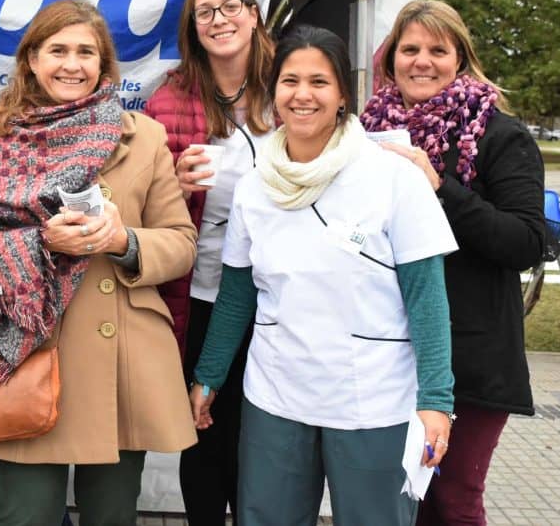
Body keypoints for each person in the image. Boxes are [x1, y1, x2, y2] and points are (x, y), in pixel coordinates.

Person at [0, 0, 197, 525]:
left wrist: (124, 242)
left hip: (123, 361)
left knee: (112, 517)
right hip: (25, 354)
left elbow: (181, 242)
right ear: (31, 59)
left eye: (85, 52)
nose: (72, 64)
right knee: (26, 517)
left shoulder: (141, 136)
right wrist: (40, 245)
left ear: (104, 64)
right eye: (57, 50)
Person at [190, 26, 457, 526]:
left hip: (372, 399)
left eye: (319, 81)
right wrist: (209, 376)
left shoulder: (394, 178)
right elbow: (236, 295)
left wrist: (437, 400)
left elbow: (427, 298)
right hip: (277, 395)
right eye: (290, 81)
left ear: (342, 96)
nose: (303, 94)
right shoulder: (254, 187)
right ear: (273, 92)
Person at [361, 0, 545, 526]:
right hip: (391, 352)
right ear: (391, 58)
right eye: (410, 48)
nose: (423, 61)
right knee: (403, 499)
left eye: (438, 50)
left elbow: (526, 241)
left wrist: (440, 188)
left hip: (473, 356)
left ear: (460, 58)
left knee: (453, 498)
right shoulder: (368, 131)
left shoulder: (499, 134)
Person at [144, 0, 274, 525]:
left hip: (278, 296)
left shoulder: (290, 84)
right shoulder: (168, 99)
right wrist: (171, 178)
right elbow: (137, 198)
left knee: (263, 438)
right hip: (198, 294)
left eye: (231, 5)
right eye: (205, 11)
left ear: (253, 13)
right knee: (204, 432)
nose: (219, 19)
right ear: (192, 27)